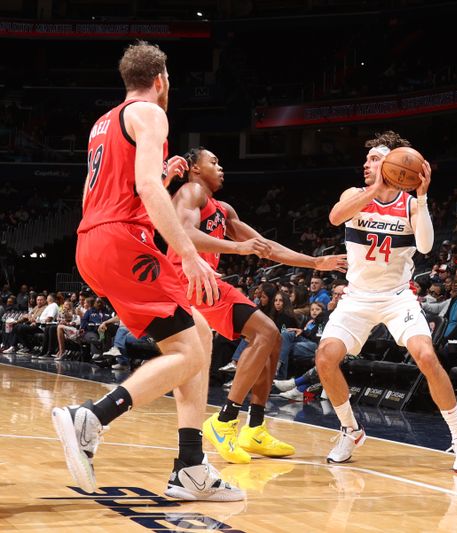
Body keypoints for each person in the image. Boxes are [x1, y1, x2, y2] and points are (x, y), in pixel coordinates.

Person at [52, 42, 243, 501]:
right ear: (161, 80)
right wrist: (189, 252)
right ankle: (93, 417)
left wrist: (161, 175)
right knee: (194, 353)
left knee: (198, 333)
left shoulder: (104, 123)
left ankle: (190, 466)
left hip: (91, 241)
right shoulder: (151, 112)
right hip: (123, 242)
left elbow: (98, 195)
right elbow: (141, 188)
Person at [168, 147, 346, 464]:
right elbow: (184, 233)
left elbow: (266, 247)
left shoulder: (222, 209)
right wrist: (238, 247)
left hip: (204, 284)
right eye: (214, 161)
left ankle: (255, 427)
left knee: (271, 338)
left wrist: (315, 262)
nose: (220, 167)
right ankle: (223, 421)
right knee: (266, 331)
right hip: (188, 279)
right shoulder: (192, 191)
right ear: (194, 168)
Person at [315, 130, 457, 473]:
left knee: (427, 356)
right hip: (357, 296)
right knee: (325, 358)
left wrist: (422, 196)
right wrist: (375, 188)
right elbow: (334, 217)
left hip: (397, 297)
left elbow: (427, 246)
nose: (366, 163)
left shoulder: (409, 204)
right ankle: (350, 429)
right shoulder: (355, 195)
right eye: (368, 158)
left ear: (391, 165)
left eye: (375, 158)